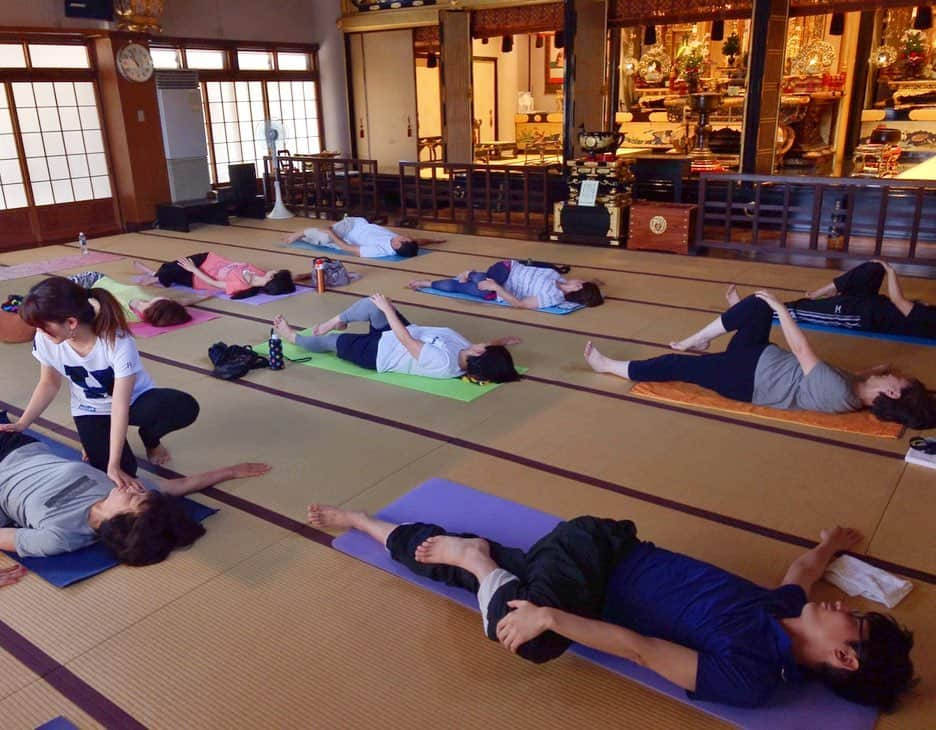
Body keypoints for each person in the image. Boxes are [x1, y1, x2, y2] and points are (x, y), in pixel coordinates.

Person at [306, 502, 916, 711]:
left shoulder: (754, 673)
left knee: (511, 610)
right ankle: (478, 559)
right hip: (599, 550)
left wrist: (549, 612)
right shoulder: (780, 605)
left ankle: (367, 523)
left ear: (845, 656)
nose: (841, 603)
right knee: (534, 634)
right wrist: (831, 542)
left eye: (854, 619)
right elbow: (803, 571)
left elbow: (645, 651)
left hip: (575, 579)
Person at [583, 291, 936, 429]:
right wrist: (876, 370)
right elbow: (854, 376)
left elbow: (802, 350)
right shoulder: (854, 388)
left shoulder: (839, 391)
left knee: (676, 367)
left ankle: (610, 367)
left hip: (746, 379)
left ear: (891, 394)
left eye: (899, 381)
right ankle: (700, 338)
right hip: (757, 358)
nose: (897, 375)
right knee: (754, 306)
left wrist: (784, 312)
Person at [4, 276, 200, 488]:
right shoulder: (45, 339)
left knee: (184, 407)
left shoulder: (117, 342)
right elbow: (49, 383)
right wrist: (22, 423)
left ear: (71, 322)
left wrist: (113, 463)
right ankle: (97, 440)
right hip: (90, 409)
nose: (39, 332)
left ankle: (150, 437)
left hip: (134, 402)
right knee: (123, 477)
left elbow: (119, 405)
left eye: (43, 326)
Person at [0, 418, 270, 564]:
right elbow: (179, 486)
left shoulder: (58, 537)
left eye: (134, 499)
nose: (134, 489)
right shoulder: (121, 488)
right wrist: (230, 471)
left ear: (118, 525)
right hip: (17, 444)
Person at [272, 294, 521, 383]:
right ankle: (335, 319)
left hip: (379, 354)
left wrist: (388, 308)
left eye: (487, 346)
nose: (485, 343)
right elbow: (488, 350)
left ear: (479, 354)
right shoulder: (468, 352)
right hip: (397, 334)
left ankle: (292, 337)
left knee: (331, 342)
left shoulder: (445, 362)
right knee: (373, 304)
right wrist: (501, 342)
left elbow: (405, 341)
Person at [726, 261, 935, 340]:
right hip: (873, 302)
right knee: (873, 268)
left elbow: (899, 301)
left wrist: (891, 272)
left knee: (802, 310)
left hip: (862, 315)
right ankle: (818, 292)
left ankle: (747, 310)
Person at [406, 259, 604, 310]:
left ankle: (427, 283)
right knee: (481, 280)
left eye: (581, 282)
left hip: (501, 289)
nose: (579, 279)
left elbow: (520, 305)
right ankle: (472, 274)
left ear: (578, 288)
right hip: (506, 268)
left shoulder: (552, 297)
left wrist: (497, 289)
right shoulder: (554, 274)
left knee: (467, 287)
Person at [133, 253, 295, 300]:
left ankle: (155, 276)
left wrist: (193, 269)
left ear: (271, 279)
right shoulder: (260, 273)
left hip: (197, 277)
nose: (274, 270)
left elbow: (213, 283)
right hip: (209, 259)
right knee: (172, 266)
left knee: (174, 269)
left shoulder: (241, 286)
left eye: (276, 273)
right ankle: (155, 275)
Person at [69, 271, 196, 328]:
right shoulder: (149, 300)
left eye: (167, 300)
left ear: (161, 305)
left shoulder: (126, 316)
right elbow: (182, 302)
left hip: (86, 293)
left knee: (54, 293)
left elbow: (94, 310)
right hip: (96, 279)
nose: (167, 297)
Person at [287, 217, 443, 259]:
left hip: (347, 234)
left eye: (405, 239)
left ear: (397, 245)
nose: (407, 236)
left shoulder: (379, 250)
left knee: (325, 239)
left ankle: (302, 233)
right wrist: (434, 240)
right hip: (354, 224)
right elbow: (419, 241)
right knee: (322, 237)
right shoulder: (401, 243)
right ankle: (304, 233)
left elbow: (348, 249)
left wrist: (331, 233)